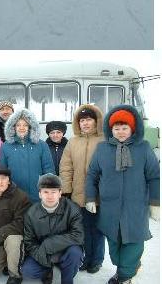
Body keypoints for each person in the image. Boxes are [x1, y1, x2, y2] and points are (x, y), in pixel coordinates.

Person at [86, 105, 160, 284]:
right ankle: (128, 267)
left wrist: (155, 203)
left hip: (135, 206)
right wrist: (90, 198)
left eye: (124, 128)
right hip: (109, 206)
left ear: (132, 128)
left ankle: (125, 276)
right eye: (116, 128)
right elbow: (92, 175)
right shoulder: (102, 148)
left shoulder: (143, 147)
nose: (120, 132)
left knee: (133, 242)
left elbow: (154, 176)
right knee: (114, 243)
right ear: (110, 129)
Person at [59, 104, 105, 274]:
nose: (85, 123)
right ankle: (86, 258)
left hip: (100, 196)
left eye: (89, 120)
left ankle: (97, 259)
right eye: (82, 120)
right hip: (78, 194)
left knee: (98, 229)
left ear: (96, 121)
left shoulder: (104, 140)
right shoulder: (73, 142)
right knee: (83, 228)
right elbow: (66, 167)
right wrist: (67, 189)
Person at [21, 173, 84, 284]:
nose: (50, 196)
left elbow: (78, 236)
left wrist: (50, 243)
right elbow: (29, 242)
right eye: (46, 192)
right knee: (27, 271)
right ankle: (48, 270)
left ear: (60, 193)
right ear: (40, 194)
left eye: (54, 192)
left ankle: (67, 278)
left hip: (65, 251)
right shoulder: (31, 213)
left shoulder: (72, 209)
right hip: (43, 252)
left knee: (75, 253)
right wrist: (42, 257)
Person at [0, 109, 54, 203]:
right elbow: (2, 172)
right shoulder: (6, 146)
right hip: (14, 197)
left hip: (37, 196)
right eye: (18, 125)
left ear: (30, 127)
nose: (21, 128)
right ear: (13, 127)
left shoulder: (41, 145)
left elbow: (48, 170)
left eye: (25, 125)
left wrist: (48, 191)